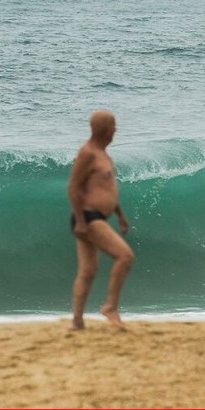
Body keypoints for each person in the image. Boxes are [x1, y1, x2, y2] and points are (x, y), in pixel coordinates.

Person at [66, 110, 134, 330]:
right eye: (113, 126)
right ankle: (110, 307)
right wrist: (81, 222)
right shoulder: (87, 154)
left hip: (97, 217)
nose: (116, 130)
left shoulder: (103, 155)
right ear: (104, 129)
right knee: (125, 256)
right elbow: (74, 188)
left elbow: (105, 189)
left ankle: (77, 321)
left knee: (88, 272)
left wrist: (120, 216)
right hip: (87, 218)